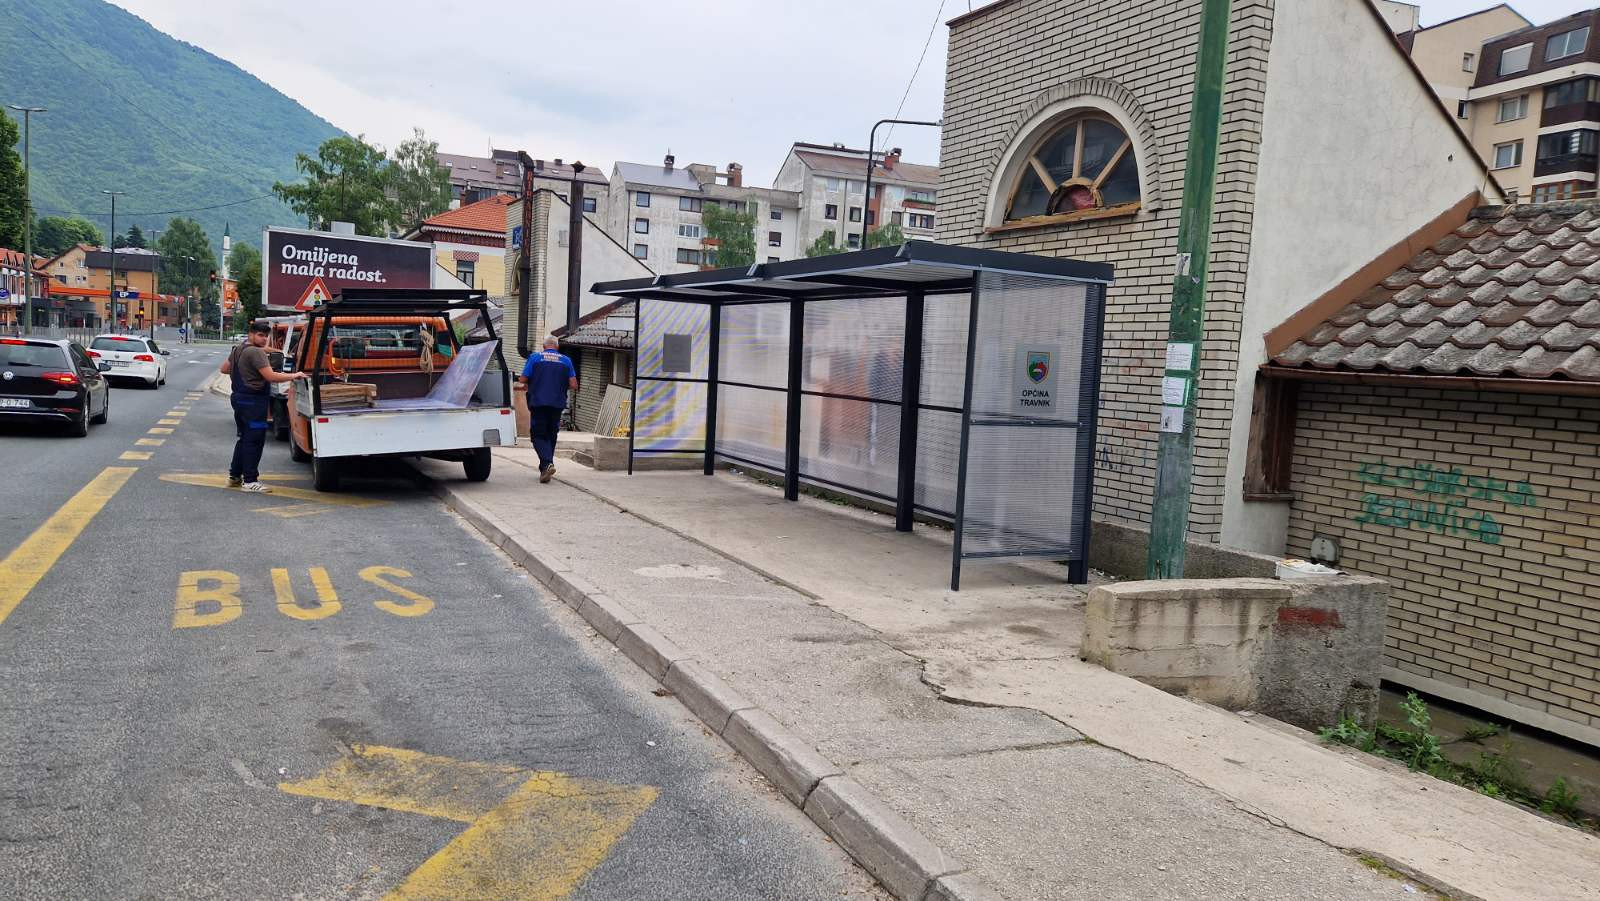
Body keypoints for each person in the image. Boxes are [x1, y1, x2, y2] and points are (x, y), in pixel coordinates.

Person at [220, 320, 306, 492]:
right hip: (254, 401)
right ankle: (250, 480)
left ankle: (234, 476)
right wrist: (294, 375)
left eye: (266, 336)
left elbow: (224, 369)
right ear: (251, 334)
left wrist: (248, 370)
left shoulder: (238, 349)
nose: (264, 339)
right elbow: (271, 376)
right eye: (260, 335)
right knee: (255, 440)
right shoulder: (256, 353)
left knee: (244, 438)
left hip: (238, 398)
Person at [520, 336, 577, 483]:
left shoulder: (535, 358)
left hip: (538, 402)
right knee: (551, 433)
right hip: (557, 404)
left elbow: (523, 379)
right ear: (557, 347)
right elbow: (573, 384)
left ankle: (547, 464)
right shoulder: (566, 360)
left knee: (538, 435)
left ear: (544, 346)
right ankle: (545, 468)